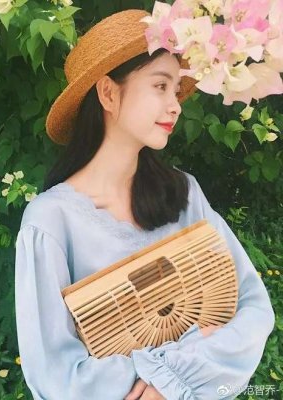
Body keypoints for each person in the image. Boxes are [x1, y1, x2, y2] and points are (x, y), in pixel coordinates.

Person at [14, 9, 275, 400]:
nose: (176, 105)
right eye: (160, 86)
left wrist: (168, 385)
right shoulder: (51, 221)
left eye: (176, 90)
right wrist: (168, 374)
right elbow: (56, 376)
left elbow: (253, 308)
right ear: (108, 93)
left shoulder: (184, 194)